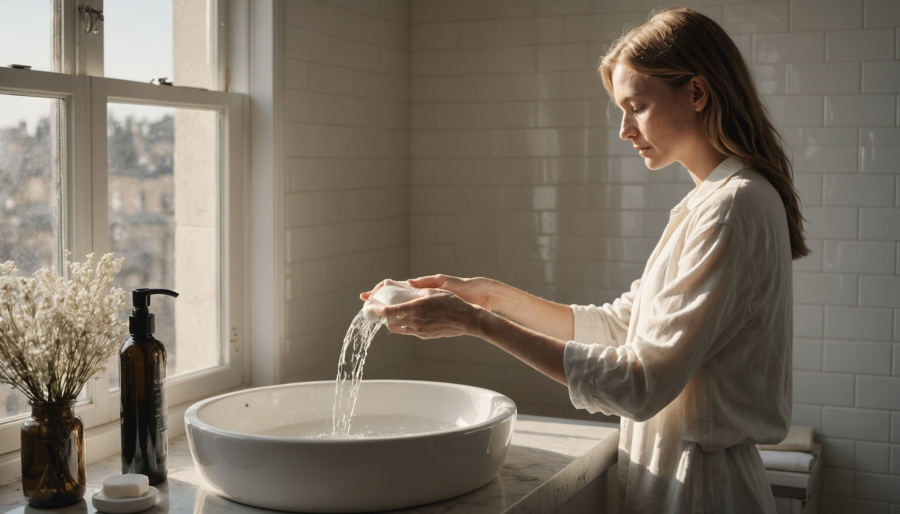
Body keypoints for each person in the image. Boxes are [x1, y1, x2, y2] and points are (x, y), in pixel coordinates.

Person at [361, 7, 808, 513]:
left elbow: (641, 384)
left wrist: (476, 323)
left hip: (703, 493)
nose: (624, 129)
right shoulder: (716, 200)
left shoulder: (732, 206)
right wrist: (488, 296)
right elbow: (621, 327)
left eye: (636, 106)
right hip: (680, 478)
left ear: (698, 93)